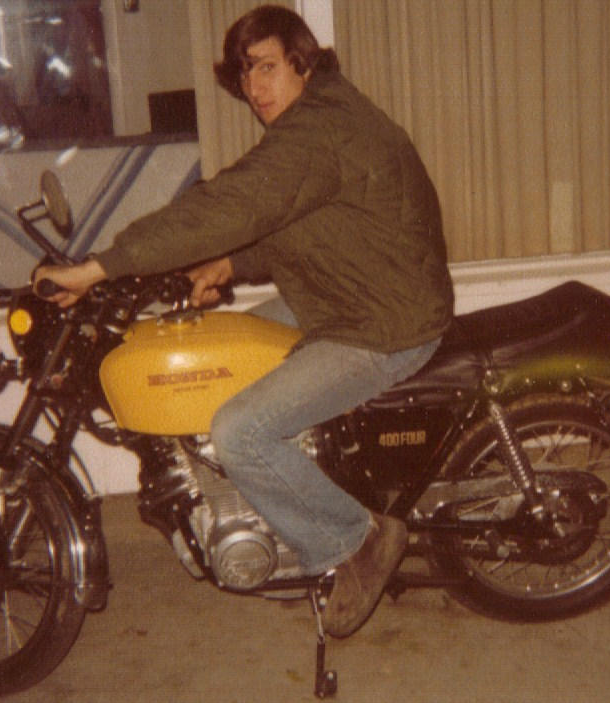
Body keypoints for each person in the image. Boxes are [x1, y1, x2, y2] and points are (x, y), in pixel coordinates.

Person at [34, 4, 454, 638]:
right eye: (245, 74)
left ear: (303, 63)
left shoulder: (319, 129)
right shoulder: (316, 120)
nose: (254, 88)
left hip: (383, 321)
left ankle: (354, 542)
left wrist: (103, 266)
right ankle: (288, 508)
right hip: (347, 293)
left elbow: (236, 203)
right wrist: (230, 264)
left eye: (266, 67)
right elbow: (306, 219)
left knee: (240, 430)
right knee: (224, 359)